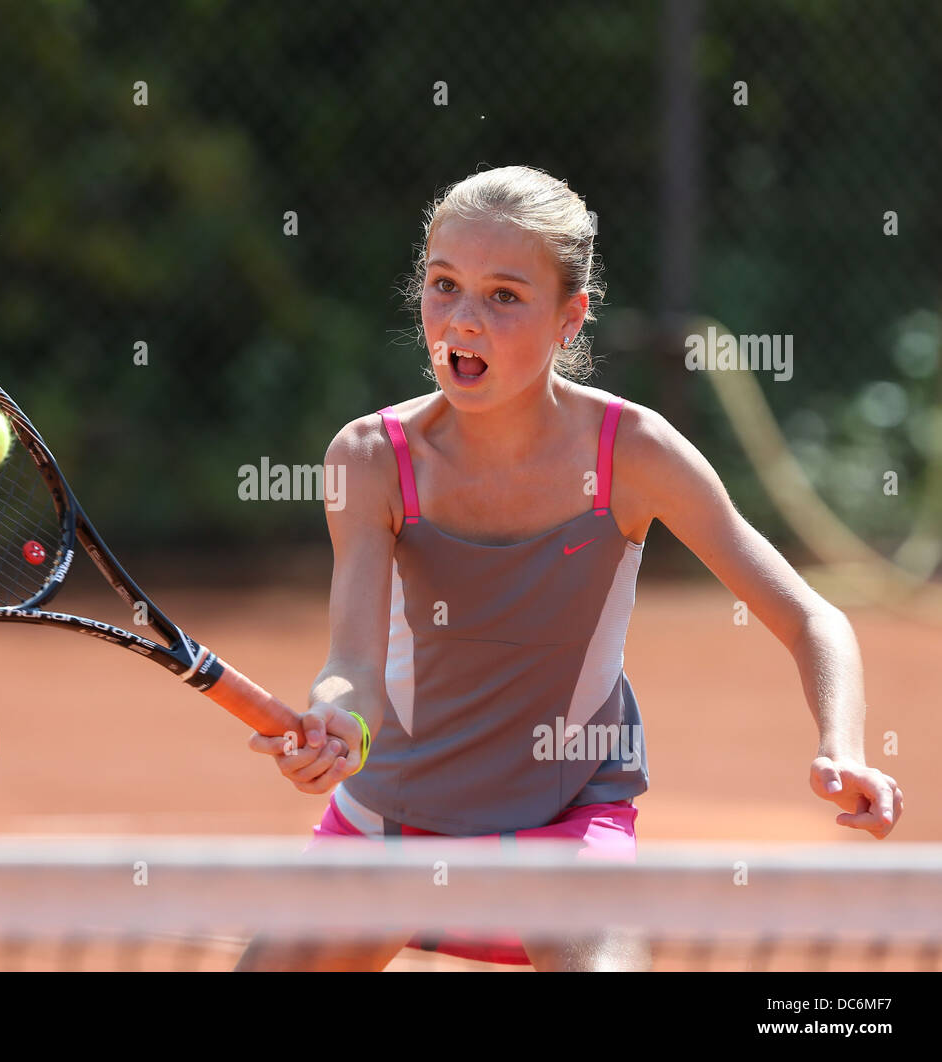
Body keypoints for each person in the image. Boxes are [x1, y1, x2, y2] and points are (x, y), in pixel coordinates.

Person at [239, 165, 905, 972]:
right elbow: (352, 663)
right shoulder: (371, 457)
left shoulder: (636, 453)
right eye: (444, 285)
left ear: (570, 317)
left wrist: (845, 744)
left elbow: (810, 616)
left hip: (565, 827)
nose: (464, 320)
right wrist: (340, 722)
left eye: (505, 296)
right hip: (390, 825)